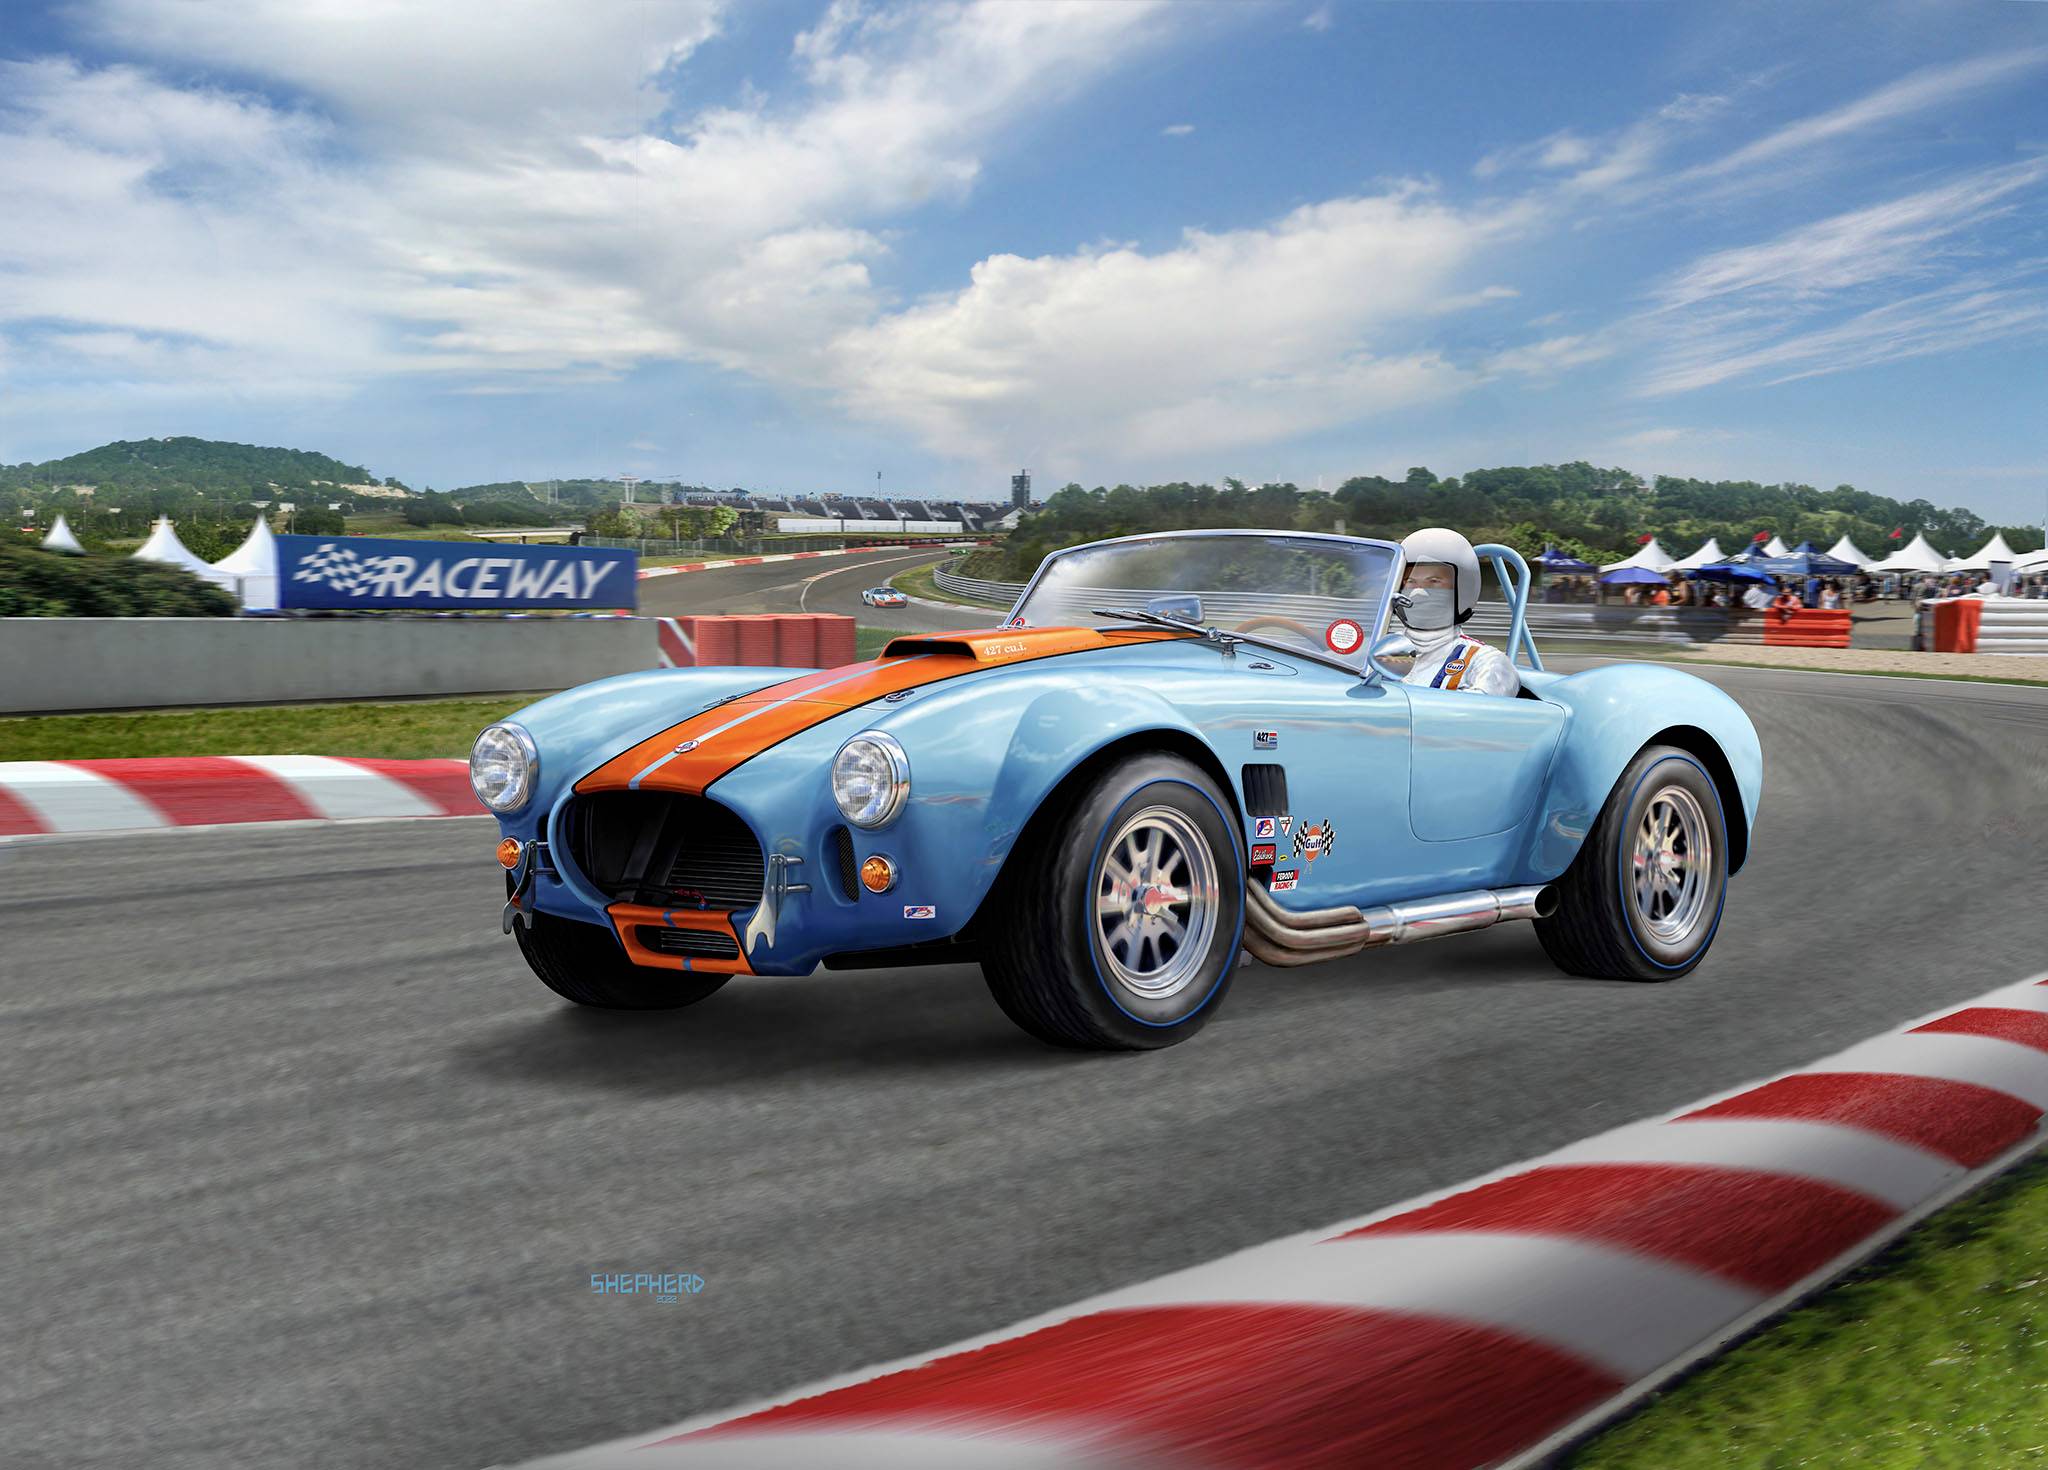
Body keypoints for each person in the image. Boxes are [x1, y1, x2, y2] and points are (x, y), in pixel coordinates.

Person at [1391, 527, 1520, 697]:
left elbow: (1481, 716)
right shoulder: (1381, 648)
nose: (1418, 592)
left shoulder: (1487, 661)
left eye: (1434, 581)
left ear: (1463, 587)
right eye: (1410, 582)